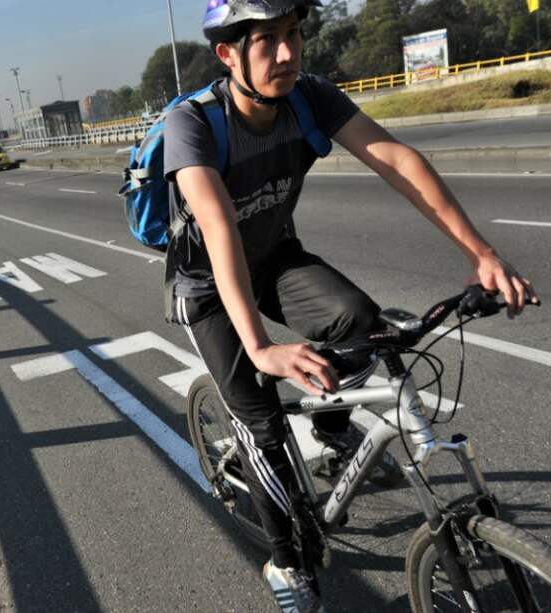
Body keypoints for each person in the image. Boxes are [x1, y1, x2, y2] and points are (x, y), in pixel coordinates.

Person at [163, 1, 541, 611]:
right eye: (267, 40)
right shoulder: (194, 123)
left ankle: (334, 430)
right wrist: (260, 346)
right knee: (261, 425)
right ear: (228, 54)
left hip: (275, 259)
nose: (287, 53)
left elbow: (396, 159)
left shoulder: (309, 96)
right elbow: (217, 224)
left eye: (293, 35)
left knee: (363, 326)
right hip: (208, 285)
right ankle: (286, 562)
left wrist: (482, 253)